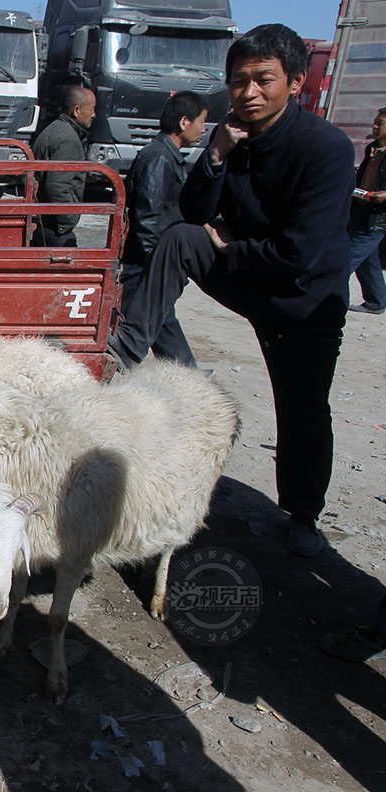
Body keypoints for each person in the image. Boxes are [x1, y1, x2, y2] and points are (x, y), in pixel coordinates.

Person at [108, 24, 355, 557]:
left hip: (301, 299)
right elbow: (195, 214)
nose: (248, 93)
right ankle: (120, 354)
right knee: (179, 240)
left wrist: (227, 248)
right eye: (238, 81)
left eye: (263, 80)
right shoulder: (233, 136)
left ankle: (303, 515)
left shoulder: (325, 149)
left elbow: (298, 253)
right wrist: (215, 156)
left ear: (293, 82)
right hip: (247, 272)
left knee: (303, 410)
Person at [119, 91, 209, 366]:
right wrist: (157, 266)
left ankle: (186, 372)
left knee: (158, 320)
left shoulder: (165, 155)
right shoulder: (159, 158)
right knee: (150, 322)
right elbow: (148, 218)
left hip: (150, 260)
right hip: (145, 262)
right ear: (184, 122)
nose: (204, 130)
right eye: (202, 122)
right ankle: (186, 373)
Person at [30, 86, 96, 247]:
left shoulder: (56, 129)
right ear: (77, 110)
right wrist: (67, 220)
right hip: (52, 226)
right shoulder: (68, 139)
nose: (94, 115)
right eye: (92, 109)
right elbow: (57, 186)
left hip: (43, 220)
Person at [346, 107, 386, 314]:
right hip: (362, 209)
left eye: (381, 123)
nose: (375, 125)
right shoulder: (373, 148)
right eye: (376, 121)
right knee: (367, 261)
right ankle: (376, 301)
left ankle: (326, 300)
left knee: (346, 258)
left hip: (379, 218)